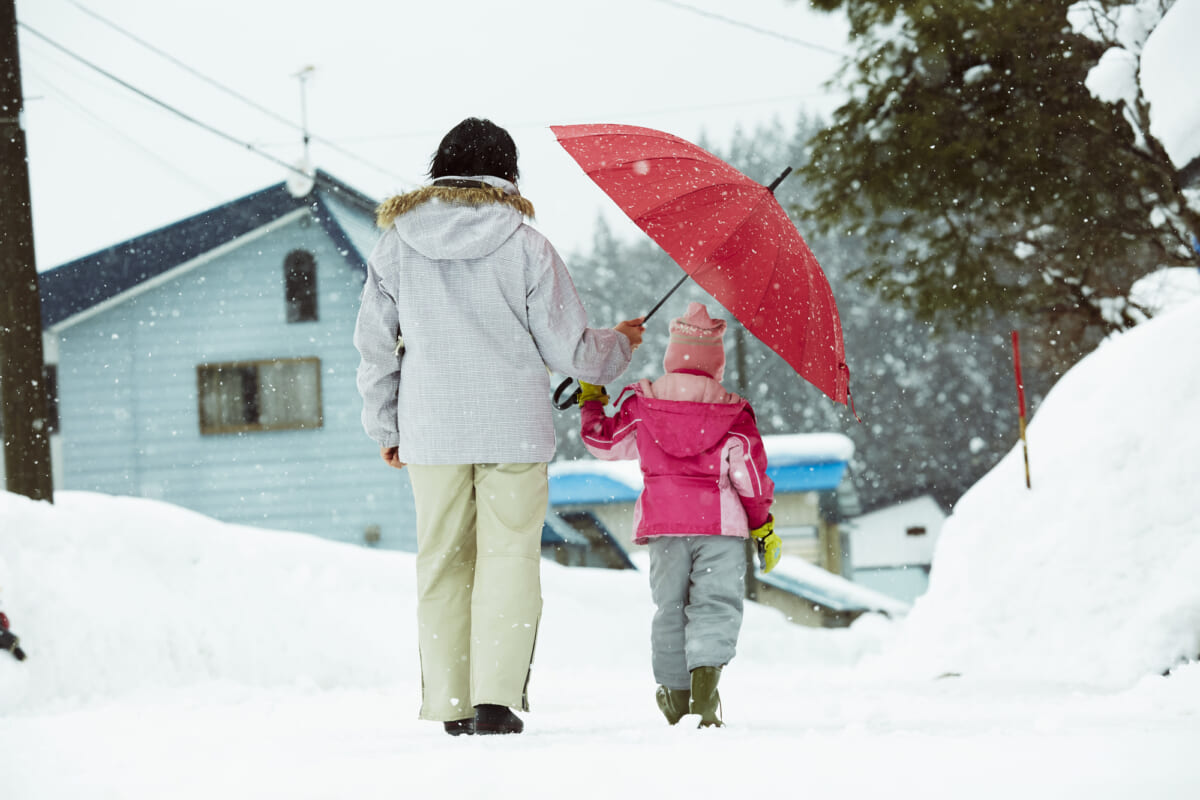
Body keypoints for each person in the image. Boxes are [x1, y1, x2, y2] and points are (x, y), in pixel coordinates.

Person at [354, 117, 645, 737]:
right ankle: (494, 701)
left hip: (431, 430)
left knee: (441, 562)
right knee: (509, 558)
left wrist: (386, 426)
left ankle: (451, 703)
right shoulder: (527, 246)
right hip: (513, 428)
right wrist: (619, 344)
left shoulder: (395, 246)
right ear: (507, 173)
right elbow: (571, 351)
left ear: (439, 168)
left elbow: (375, 347)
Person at [577, 301, 781, 728]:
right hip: (721, 528)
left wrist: (592, 400)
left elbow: (603, 443)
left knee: (669, 607)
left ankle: (675, 697)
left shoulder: (642, 403)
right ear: (716, 364)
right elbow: (750, 478)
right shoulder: (734, 413)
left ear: (673, 355)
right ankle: (704, 697)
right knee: (715, 606)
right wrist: (763, 526)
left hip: (664, 525)